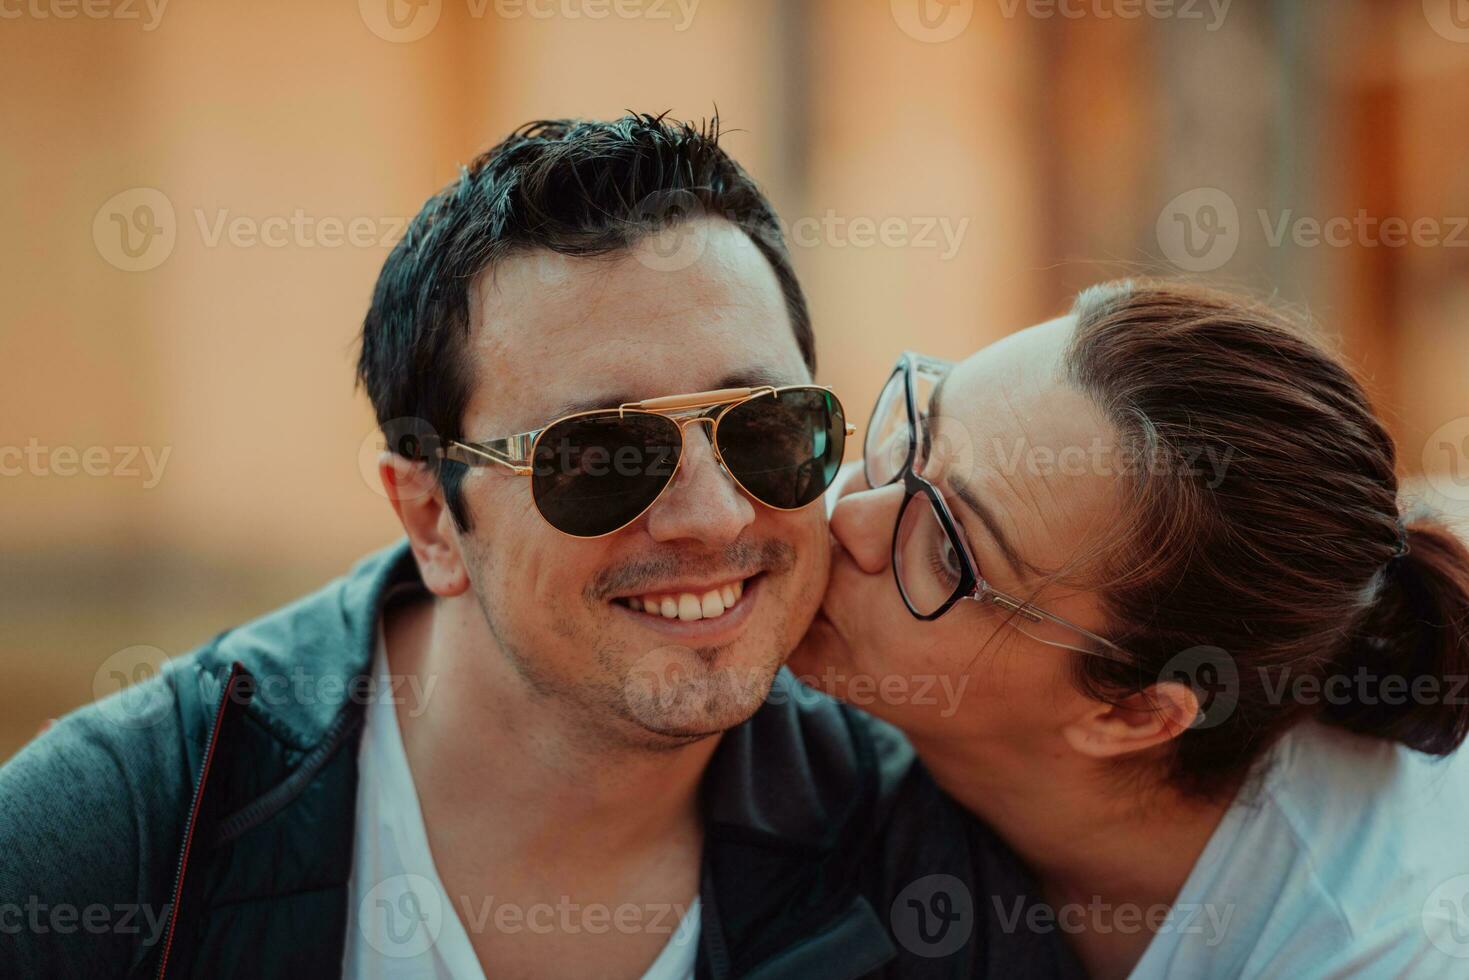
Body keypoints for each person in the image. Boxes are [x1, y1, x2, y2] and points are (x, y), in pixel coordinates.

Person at [0, 113, 1081, 979]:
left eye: (764, 430)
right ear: (431, 514)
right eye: (601, 456)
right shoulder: (136, 833)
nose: (711, 516)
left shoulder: (912, 852)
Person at [793, 279, 1469, 979]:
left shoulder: (1368, 947)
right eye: (917, 432)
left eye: (944, 550)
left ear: (1133, 710)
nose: (847, 511)